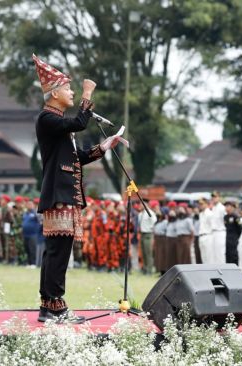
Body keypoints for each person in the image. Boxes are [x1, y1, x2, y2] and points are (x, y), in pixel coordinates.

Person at [32, 54, 123, 323]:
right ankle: (54, 306)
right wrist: (87, 93)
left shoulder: (59, 123)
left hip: (64, 194)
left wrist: (103, 147)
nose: (71, 93)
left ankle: (50, 305)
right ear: (55, 93)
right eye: (68, 89)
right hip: (59, 194)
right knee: (57, 253)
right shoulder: (48, 118)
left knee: (58, 253)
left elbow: (77, 156)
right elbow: (78, 122)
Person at [137, 202, 157, 274]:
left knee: (148, 253)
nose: (140, 206)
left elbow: (154, 221)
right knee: (143, 253)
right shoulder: (140, 214)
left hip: (148, 233)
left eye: (141, 205)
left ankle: (149, 270)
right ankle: (145, 268)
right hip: (142, 234)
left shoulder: (149, 212)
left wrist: (151, 228)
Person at [22, 200, 41, 267]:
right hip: (25, 234)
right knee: (27, 249)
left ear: (33, 205)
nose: (29, 205)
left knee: (32, 249)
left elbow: (40, 221)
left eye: (30, 204)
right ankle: (29, 263)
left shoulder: (36, 212)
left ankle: (33, 263)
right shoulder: (25, 213)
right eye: (28, 204)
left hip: (33, 234)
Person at [210, 192, 227, 264]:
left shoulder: (222, 208)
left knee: (220, 253)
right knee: (214, 254)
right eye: (212, 197)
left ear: (219, 197)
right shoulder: (213, 208)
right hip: (213, 232)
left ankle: (222, 271)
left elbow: (225, 221)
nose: (214, 199)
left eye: (215, 197)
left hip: (220, 232)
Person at [197, 198, 213, 264]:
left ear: (206, 204)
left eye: (202, 204)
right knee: (203, 257)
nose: (200, 205)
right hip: (201, 236)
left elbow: (212, 226)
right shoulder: (201, 214)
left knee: (209, 256)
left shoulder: (210, 214)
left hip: (208, 236)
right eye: (199, 204)